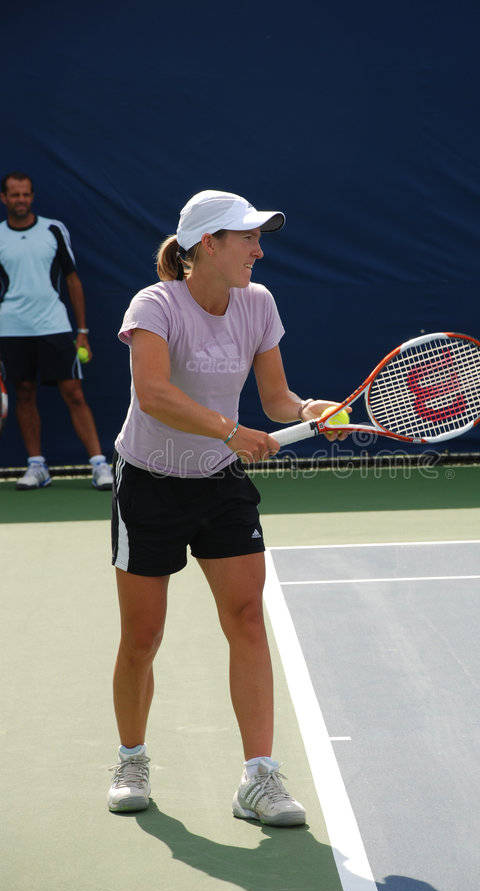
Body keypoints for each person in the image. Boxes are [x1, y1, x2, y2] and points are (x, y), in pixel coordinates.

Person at [107, 189, 347, 825]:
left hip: (219, 484)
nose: (259, 250)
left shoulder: (257, 303)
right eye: (247, 239)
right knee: (142, 636)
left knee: (246, 618)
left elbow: (274, 398)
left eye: (259, 238)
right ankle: (132, 757)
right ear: (206, 245)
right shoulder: (155, 305)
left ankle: (258, 779)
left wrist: (308, 411)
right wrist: (227, 430)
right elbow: (153, 394)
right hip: (150, 484)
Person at [0, 172, 113, 490]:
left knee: (74, 393)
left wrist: (83, 331)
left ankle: (98, 465)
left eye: (25, 194)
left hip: (54, 325)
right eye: (14, 195)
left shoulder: (53, 229)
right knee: (23, 393)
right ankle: (37, 467)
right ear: (4, 199)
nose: (20, 200)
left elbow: (72, 279)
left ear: (31, 197)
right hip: (11, 329)